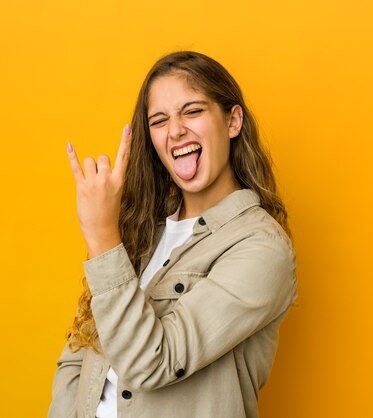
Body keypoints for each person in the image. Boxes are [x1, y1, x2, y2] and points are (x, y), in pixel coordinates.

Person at [47, 50, 298, 418]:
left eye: (193, 111)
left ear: (233, 120)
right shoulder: (141, 232)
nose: (176, 129)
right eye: (159, 120)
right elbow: (80, 355)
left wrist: (101, 237)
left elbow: (153, 362)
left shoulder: (261, 248)